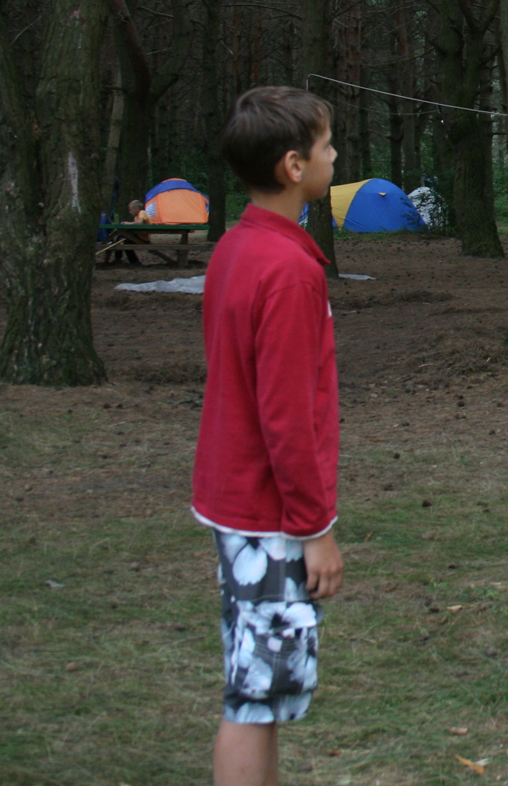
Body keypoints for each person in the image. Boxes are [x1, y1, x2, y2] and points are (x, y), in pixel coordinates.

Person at [191, 86, 345, 786]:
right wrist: (315, 529)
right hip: (268, 516)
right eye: (326, 146)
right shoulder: (287, 272)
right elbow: (286, 417)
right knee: (255, 698)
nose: (334, 157)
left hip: (238, 504)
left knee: (262, 690)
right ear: (293, 166)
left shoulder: (238, 246)